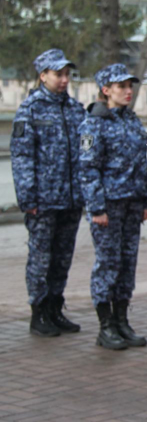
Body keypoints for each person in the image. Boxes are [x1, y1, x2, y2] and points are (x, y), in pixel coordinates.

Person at [11, 49, 86, 337]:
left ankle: (55, 308)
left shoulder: (75, 109)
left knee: (62, 258)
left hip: (70, 199)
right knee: (40, 259)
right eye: (58, 74)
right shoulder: (30, 110)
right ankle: (38, 313)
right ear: (43, 76)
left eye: (67, 74)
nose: (64, 79)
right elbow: (21, 158)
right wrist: (28, 198)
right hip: (43, 201)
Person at [79, 64, 147, 350]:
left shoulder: (131, 121)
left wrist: (146, 200)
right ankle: (105, 325)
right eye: (121, 86)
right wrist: (97, 208)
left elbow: (140, 167)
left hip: (132, 205)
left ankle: (122, 321)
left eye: (129, 86)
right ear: (105, 90)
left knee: (127, 264)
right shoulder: (94, 123)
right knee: (107, 265)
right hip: (108, 207)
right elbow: (88, 169)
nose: (127, 91)